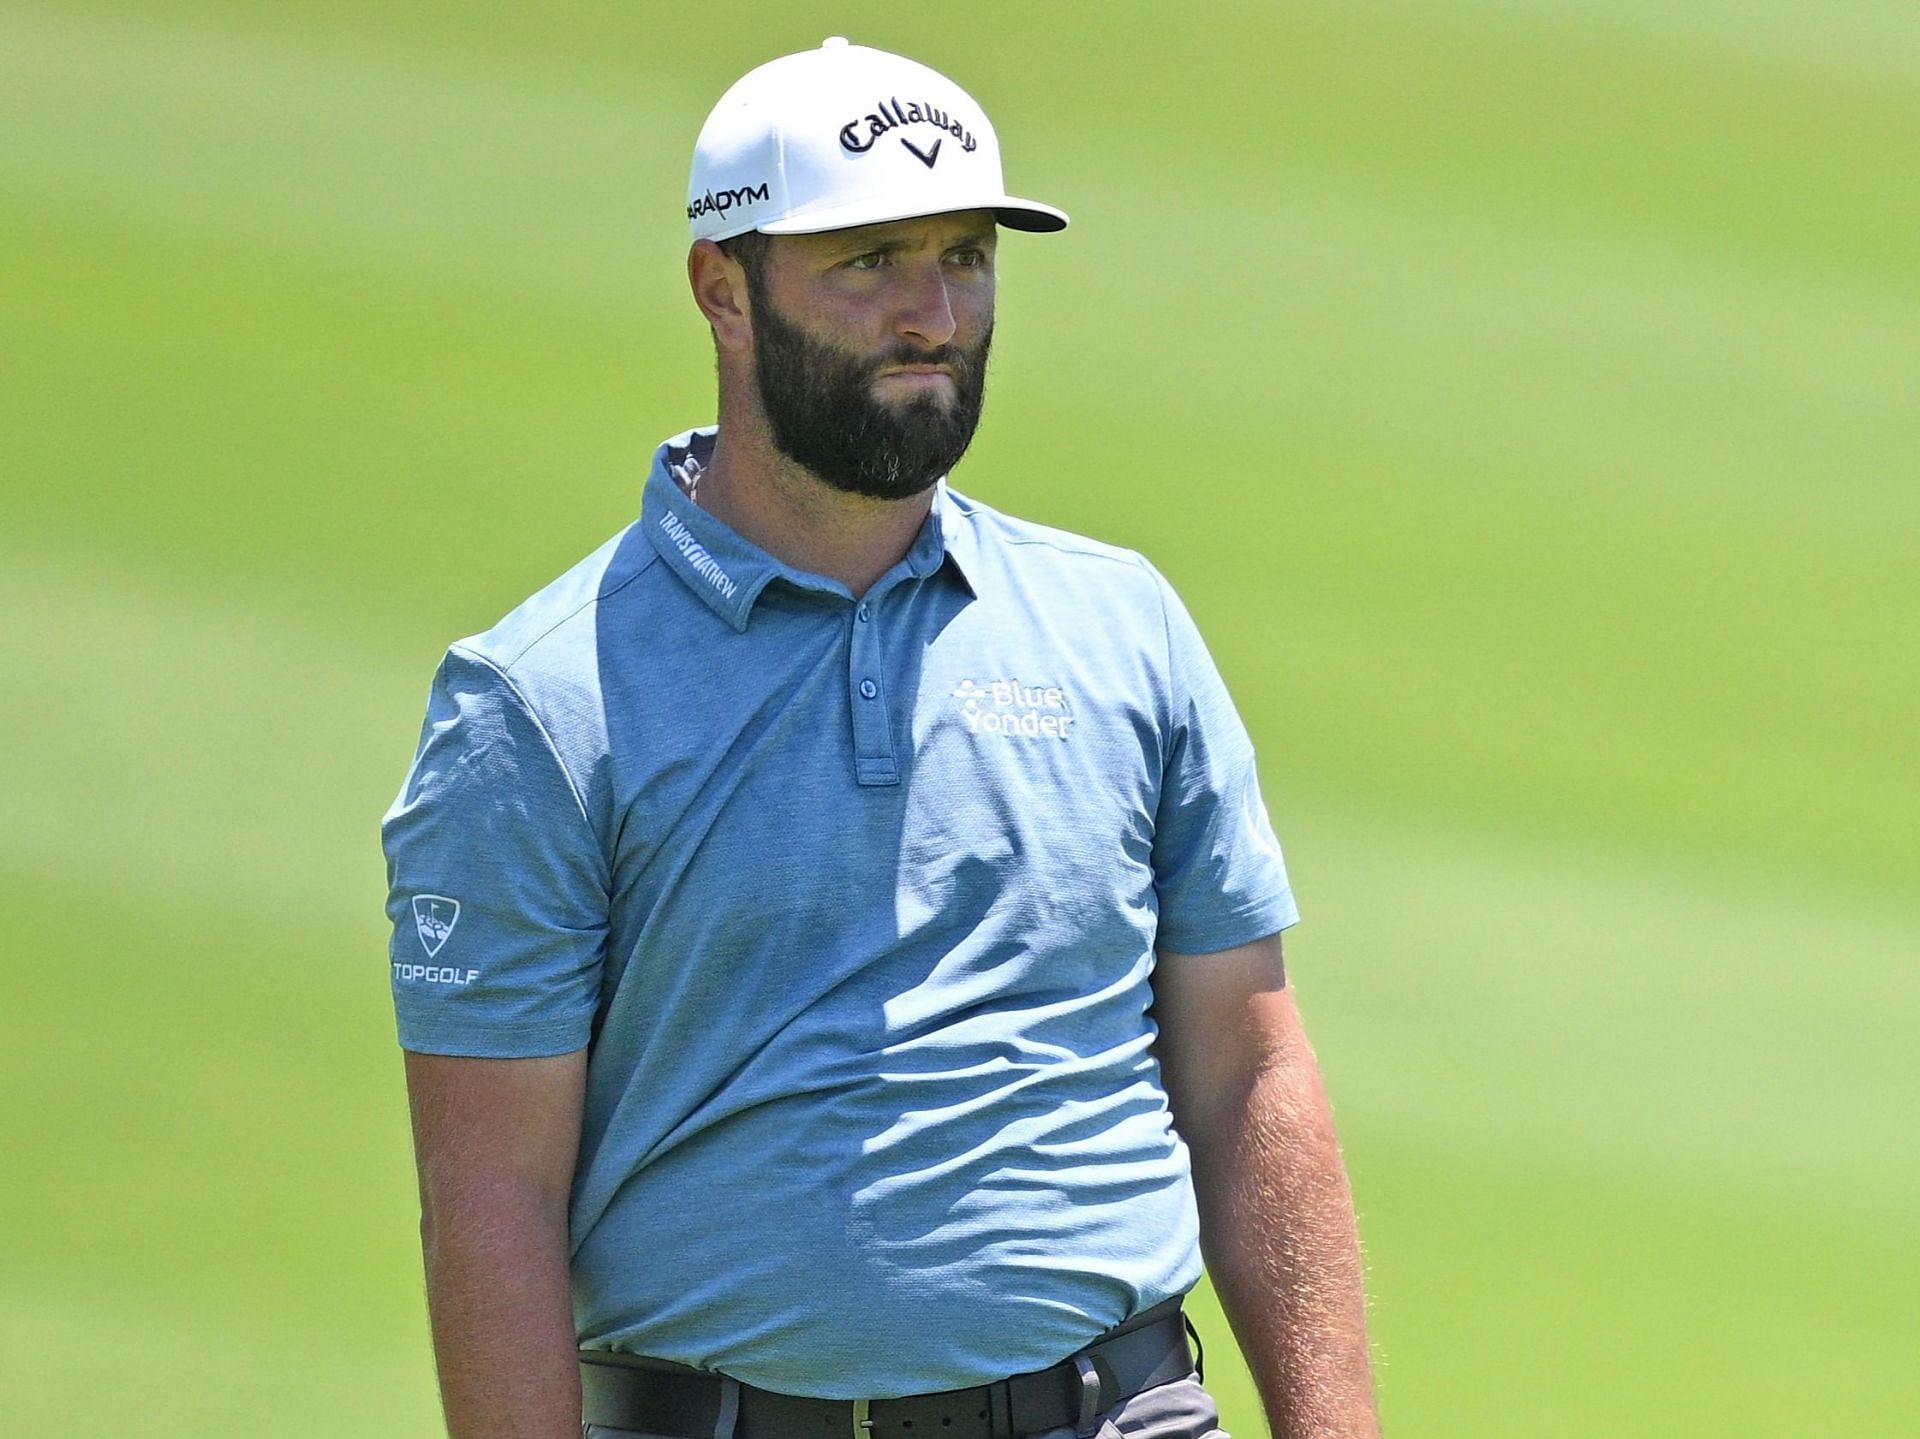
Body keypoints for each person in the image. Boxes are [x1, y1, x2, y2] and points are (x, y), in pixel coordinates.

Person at [382, 38, 1379, 1439]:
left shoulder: (1121, 626)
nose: (934, 312)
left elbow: (1250, 1068)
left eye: (966, 256)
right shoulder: (538, 705)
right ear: (721, 289)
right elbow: (489, 1197)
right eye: (870, 261)